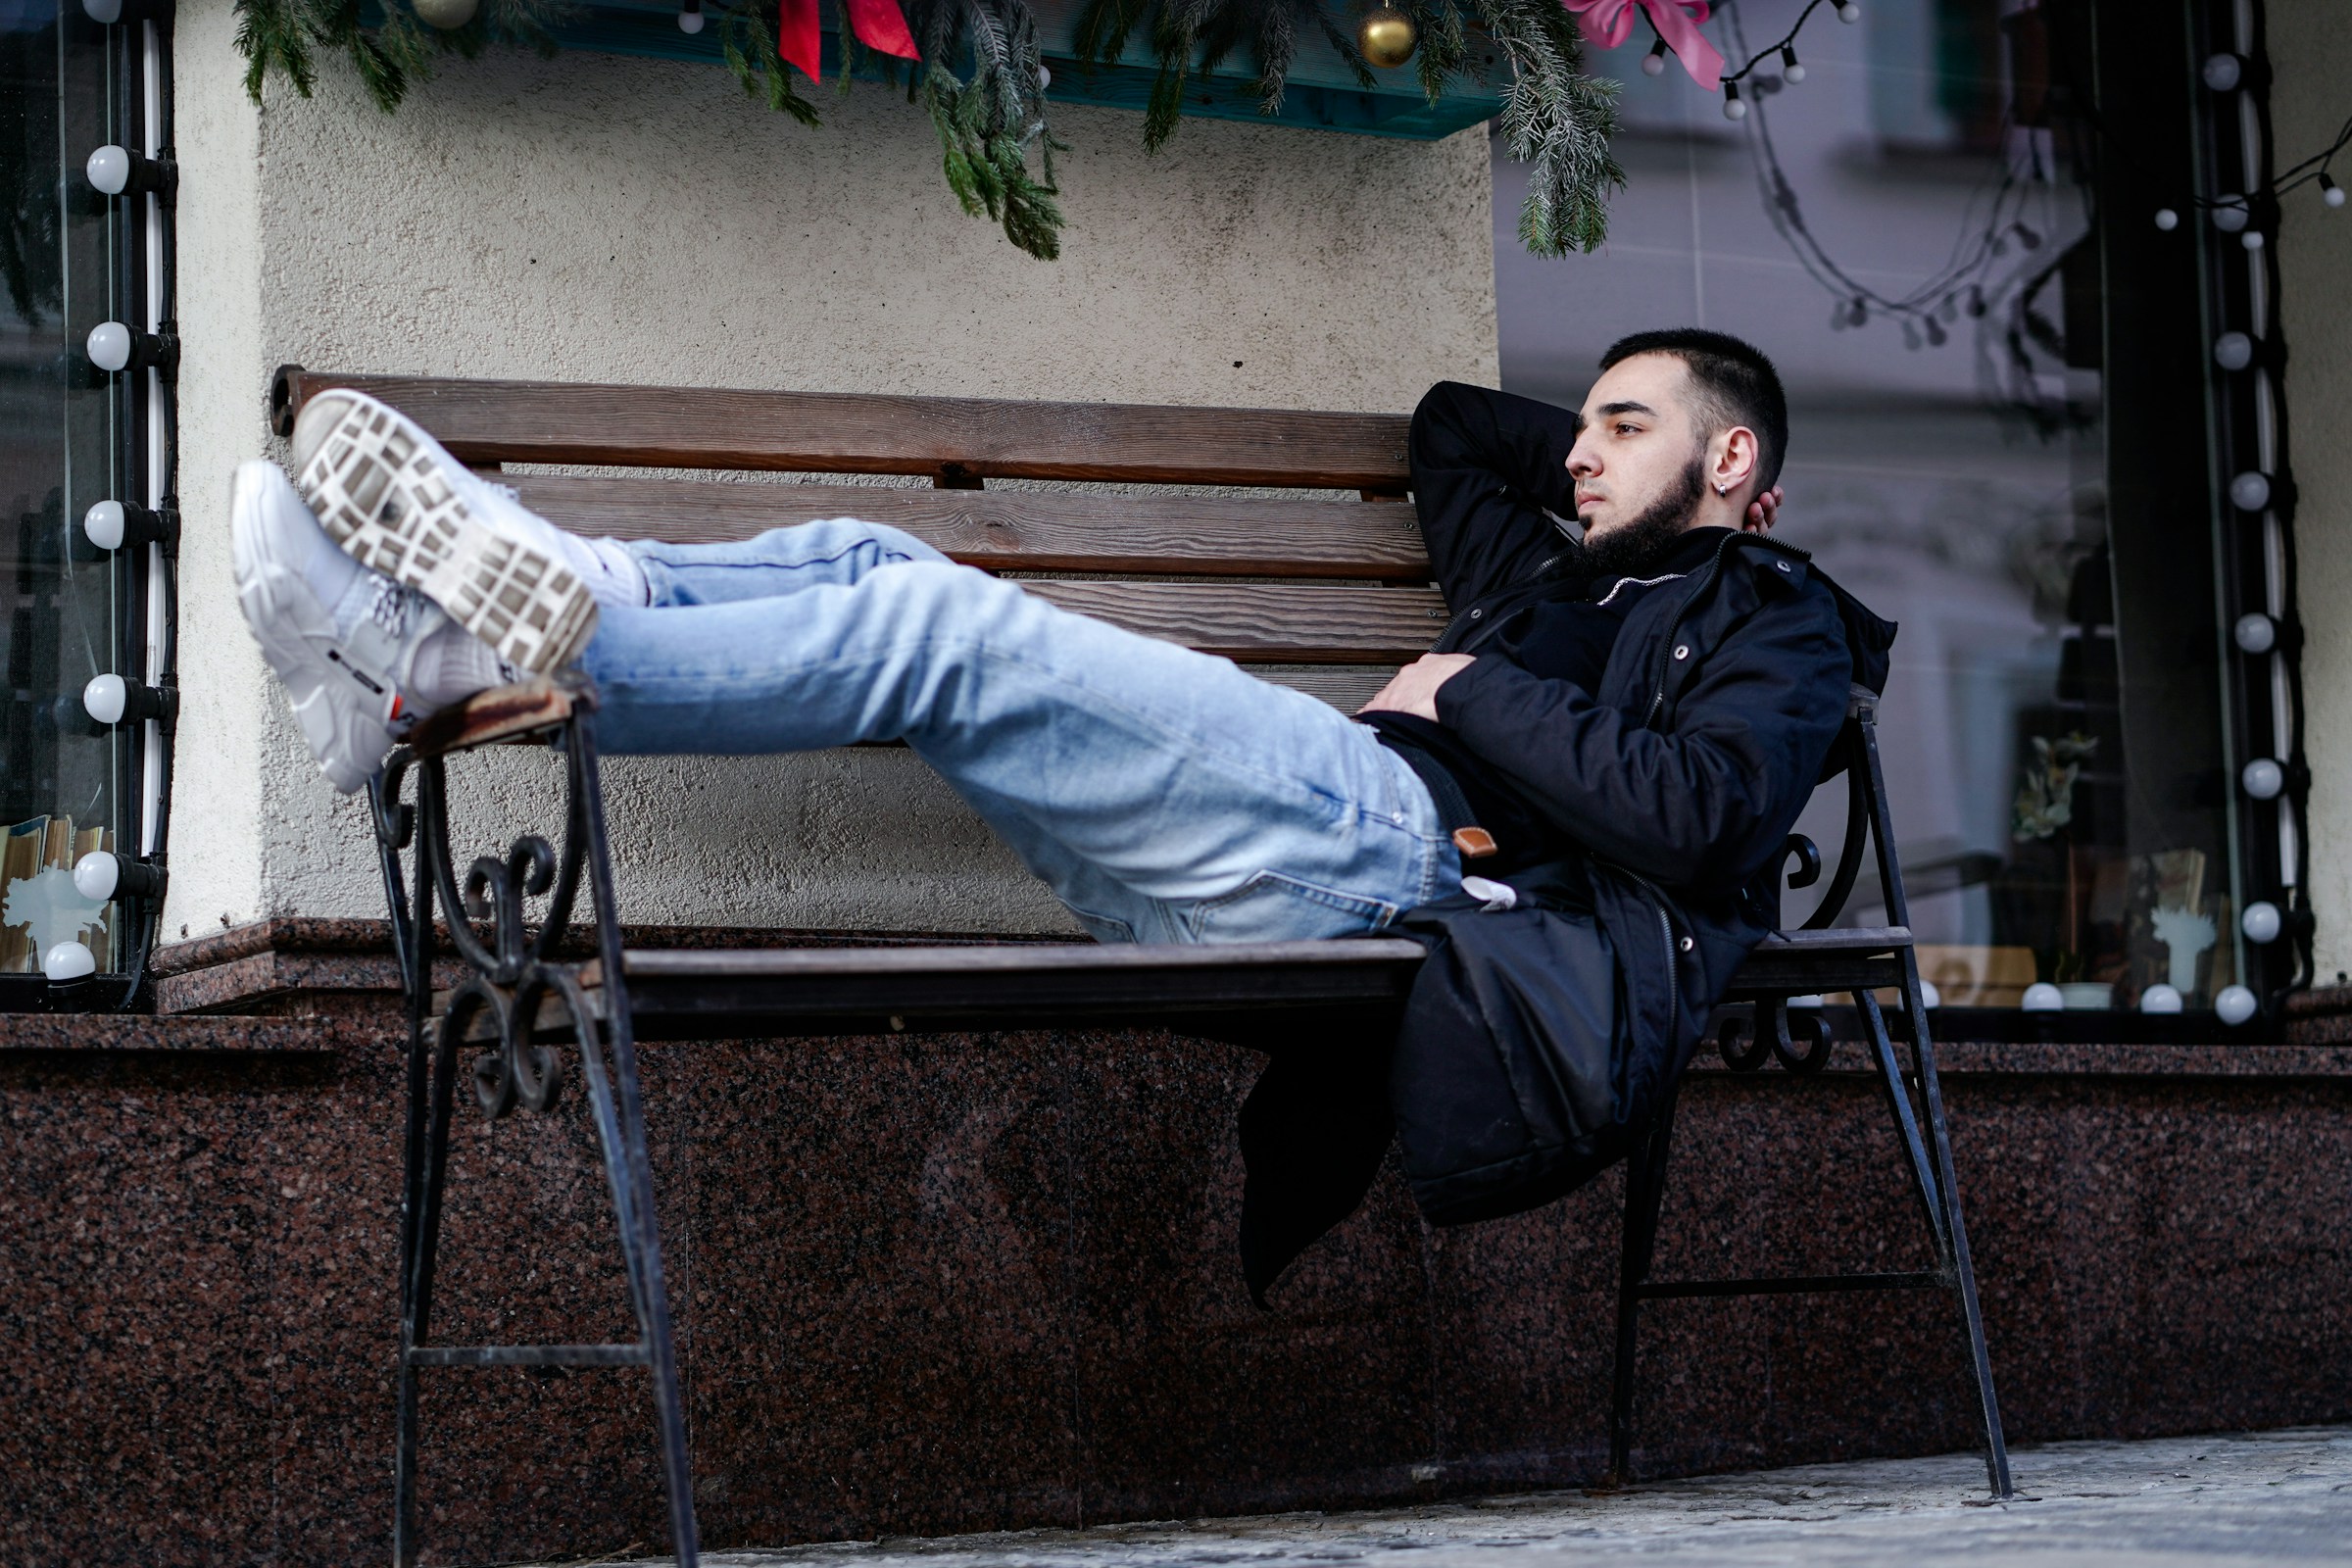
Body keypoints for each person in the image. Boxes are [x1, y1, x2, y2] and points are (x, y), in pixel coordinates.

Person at [232, 330, 1891, 1284]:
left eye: (1625, 429)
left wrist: (1467, 690)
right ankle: (505, 616)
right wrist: (1626, 458)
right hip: (1295, 849)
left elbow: (1703, 820)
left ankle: (437, 666)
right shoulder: (1551, 571)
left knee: (928, 636)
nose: (1582, 458)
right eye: (1586, 428)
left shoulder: (1776, 621)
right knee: (879, 564)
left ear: (1736, 464)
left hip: (1399, 872)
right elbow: (1455, 432)